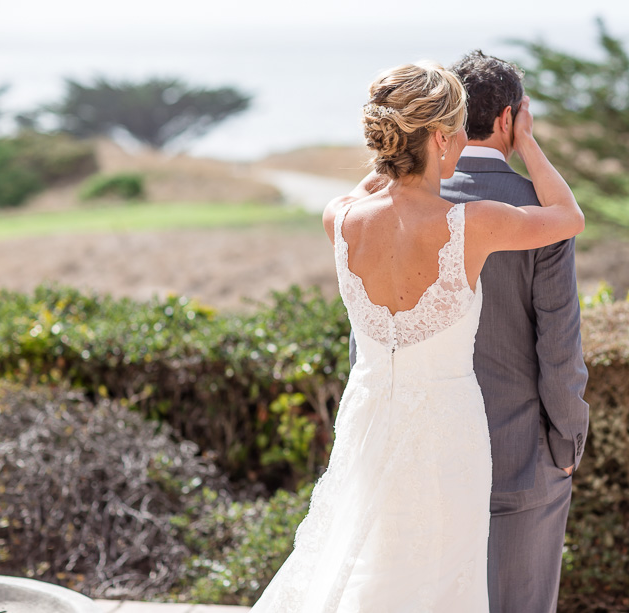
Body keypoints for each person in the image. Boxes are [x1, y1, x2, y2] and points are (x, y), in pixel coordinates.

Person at [249, 61, 583, 613]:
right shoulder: (475, 223)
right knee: (442, 580)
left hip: (369, 429)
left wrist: (399, 162)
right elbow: (568, 216)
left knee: (371, 574)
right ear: (438, 137)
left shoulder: (341, 219)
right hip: (451, 438)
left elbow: (370, 187)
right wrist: (526, 143)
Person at [441, 50, 590, 613]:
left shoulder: (404, 209)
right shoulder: (540, 212)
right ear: (510, 117)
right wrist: (567, 442)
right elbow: (559, 343)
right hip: (523, 453)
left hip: (425, 448)